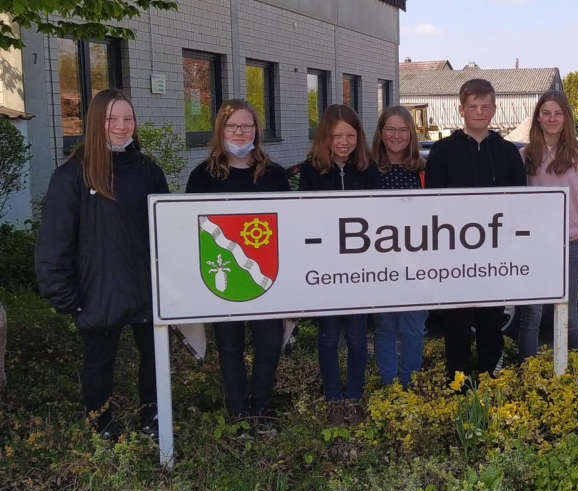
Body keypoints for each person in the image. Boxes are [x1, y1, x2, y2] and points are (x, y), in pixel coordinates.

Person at [35, 88, 169, 440]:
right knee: (98, 363)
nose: (122, 126)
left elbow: (166, 231)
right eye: (112, 119)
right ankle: (101, 423)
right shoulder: (71, 176)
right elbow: (53, 244)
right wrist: (64, 296)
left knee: (154, 359)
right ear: (96, 122)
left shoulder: (148, 171)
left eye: (128, 119)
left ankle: (152, 417)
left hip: (146, 288)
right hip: (98, 292)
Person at [185, 99, 289, 424]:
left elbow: (290, 224)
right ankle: (237, 412)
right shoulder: (202, 177)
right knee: (229, 347)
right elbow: (190, 227)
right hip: (225, 276)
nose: (241, 132)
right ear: (221, 131)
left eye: (247, 126)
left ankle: (260, 408)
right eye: (233, 126)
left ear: (256, 131)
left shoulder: (274, 175)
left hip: (267, 277)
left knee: (269, 344)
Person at [424, 78, 526, 380]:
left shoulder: (508, 153)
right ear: (461, 110)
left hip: (495, 255)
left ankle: (490, 382)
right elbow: (434, 204)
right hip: (455, 254)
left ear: (494, 109)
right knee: (455, 321)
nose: (479, 112)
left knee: (490, 320)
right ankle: (457, 387)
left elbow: (518, 203)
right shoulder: (442, 151)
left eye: (485, 106)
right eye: (473, 107)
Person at [298, 104, 378, 424]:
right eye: (337, 136)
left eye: (350, 135)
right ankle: (333, 399)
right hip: (325, 269)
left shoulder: (368, 170)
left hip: (358, 270)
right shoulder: (310, 170)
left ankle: (355, 397)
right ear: (325, 138)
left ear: (359, 137)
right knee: (329, 337)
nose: (344, 142)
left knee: (358, 338)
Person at [517, 91, 578, 358]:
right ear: (538, 118)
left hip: (568, 246)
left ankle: (571, 375)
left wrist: (573, 230)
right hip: (533, 246)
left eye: (558, 113)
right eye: (546, 113)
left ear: (566, 119)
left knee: (566, 313)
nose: (552, 119)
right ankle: (528, 377)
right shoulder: (525, 155)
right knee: (531, 313)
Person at [370, 106, 428, 387]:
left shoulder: (423, 170)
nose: (396, 135)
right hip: (380, 263)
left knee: (414, 328)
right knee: (386, 327)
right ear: (381, 133)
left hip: (417, 263)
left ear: (411, 134)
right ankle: (390, 387)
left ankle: (409, 387)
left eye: (403, 129)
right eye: (390, 129)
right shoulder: (368, 170)